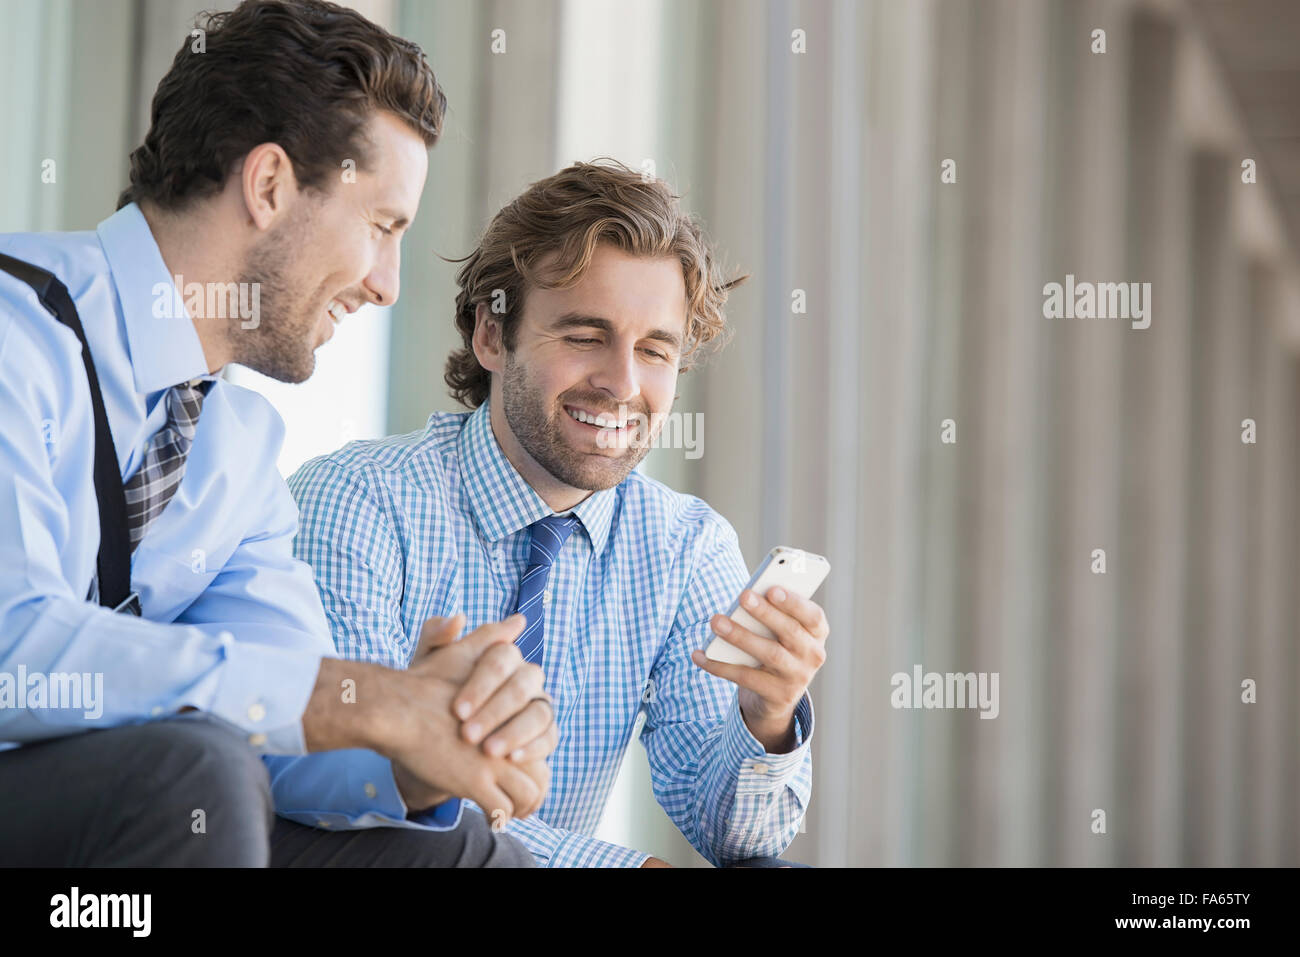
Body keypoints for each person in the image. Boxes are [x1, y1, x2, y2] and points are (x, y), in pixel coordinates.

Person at [0, 0, 555, 867]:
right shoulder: (15, 332)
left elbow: (289, 726)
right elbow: (14, 652)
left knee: (469, 854)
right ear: (268, 186)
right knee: (194, 772)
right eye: (382, 227)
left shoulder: (234, 445)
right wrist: (367, 699)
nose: (387, 286)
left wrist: (425, 747)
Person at [288, 159, 831, 867]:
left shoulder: (684, 547)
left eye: (655, 350)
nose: (622, 383)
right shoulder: (355, 502)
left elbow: (740, 841)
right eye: (584, 337)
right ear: (491, 334)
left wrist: (768, 719)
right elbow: (365, 794)